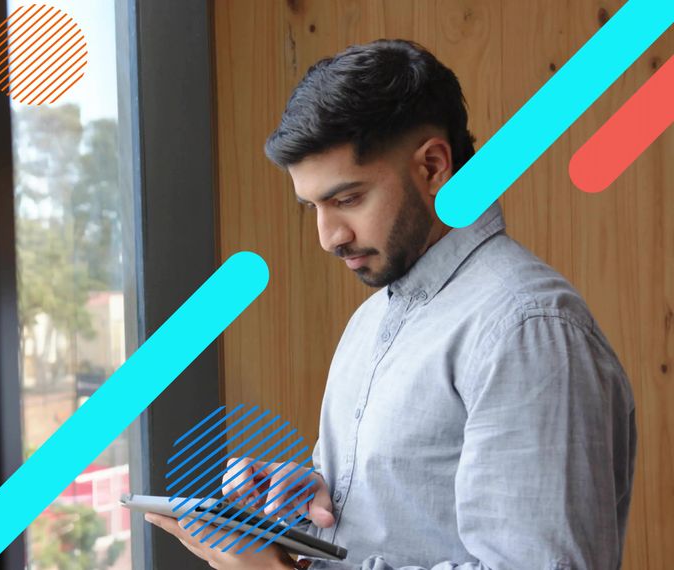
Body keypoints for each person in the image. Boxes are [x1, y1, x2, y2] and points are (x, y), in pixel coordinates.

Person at [145, 38, 636, 570]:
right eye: (312, 206)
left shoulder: (527, 329)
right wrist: (311, 506)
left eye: (347, 199)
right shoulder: (374, 318)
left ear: (433, 167)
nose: (328, 236)